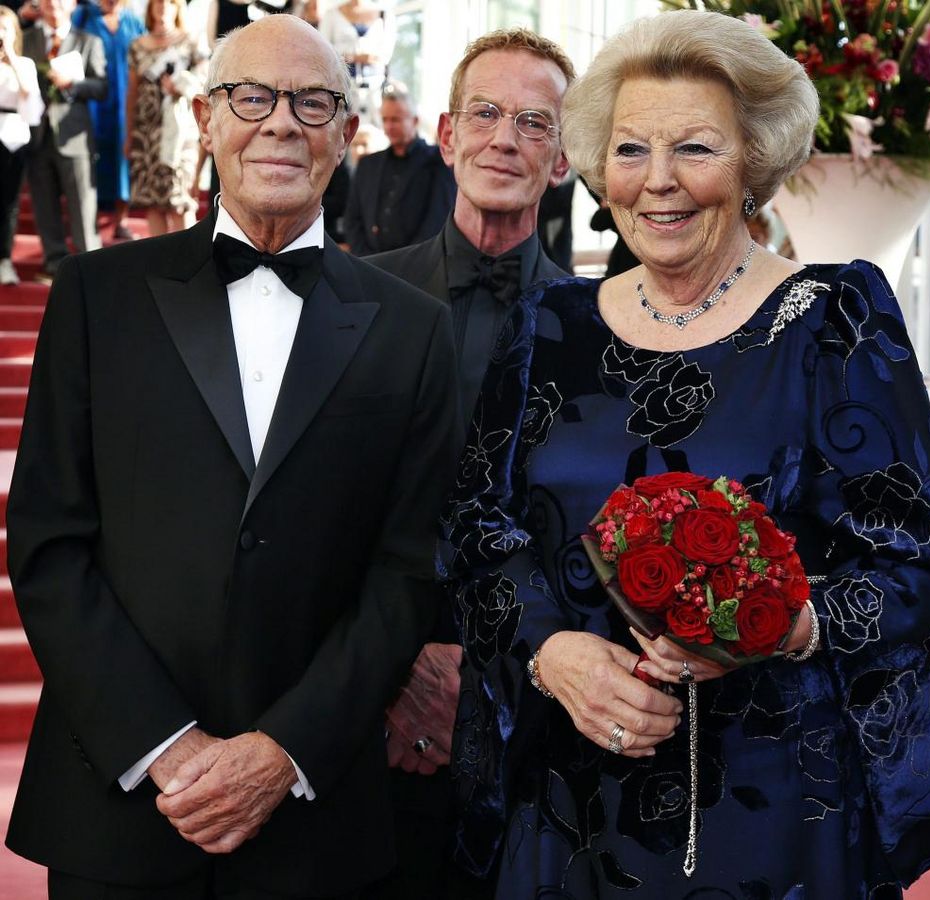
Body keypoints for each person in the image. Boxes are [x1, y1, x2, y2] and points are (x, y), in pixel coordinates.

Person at [442, 10, 930, 898]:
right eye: (631, 150)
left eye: (695, 149)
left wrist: (786, 623)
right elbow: (475, 529)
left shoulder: (833, 317)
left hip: (774, 809)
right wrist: (548, 653)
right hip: (571, 799)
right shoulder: (549, 325)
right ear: (599, 169)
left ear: (754, 162)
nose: (659, 183)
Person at [5, 13, 459, 899]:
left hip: (317, 821)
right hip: (121, 807)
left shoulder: (413, 328)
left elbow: (407, 571)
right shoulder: (98, 296)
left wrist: (281, 754)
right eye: (252, 96)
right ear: (207, 119)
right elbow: (49, 542)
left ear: (347, 133)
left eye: (312, 101)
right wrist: (164, 747)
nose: (281, 121)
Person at [364, 27, 573, 899]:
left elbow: (585, 539)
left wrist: (489, 676)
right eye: (484, 113)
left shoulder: (599, 328)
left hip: (537, 721)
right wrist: (399, 669)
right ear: (447, 137)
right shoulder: (356, 300)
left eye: (534, 122)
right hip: (367, 707)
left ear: (562, 160)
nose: (504, 138)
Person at [21, 0, 106, 282]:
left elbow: (101, 87)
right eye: (47, 0)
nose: (53, 5)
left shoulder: (88, 41)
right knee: (44, 204)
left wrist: (73, 84)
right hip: (36, 135)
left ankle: (90, 267)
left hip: (75, 135)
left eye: (60, 0)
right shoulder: (26, 39)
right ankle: (54, 263)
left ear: (72, 5)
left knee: (82, 205)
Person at [343, 82, 455, 256]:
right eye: (385, 119)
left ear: (415, 120)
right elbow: (353, 219)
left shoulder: (439, 163)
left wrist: (404, 263)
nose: (389, 126)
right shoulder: (368, 165)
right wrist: (365, 260)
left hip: (416, 267)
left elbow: (436, 221)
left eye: (396, 119)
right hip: (367, 265)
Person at [126, 0, 206, 236]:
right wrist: (128, 134)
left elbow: (206, 84)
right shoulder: (137, 46)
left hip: (181, 132)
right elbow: (132, 93)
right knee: (152, 201)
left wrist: (180, 87)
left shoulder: (191, 41)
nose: (162, 8)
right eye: (158, 3)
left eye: (169, 3)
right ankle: (161, 268)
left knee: (178, 198)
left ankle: (192, 266)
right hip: (146, 132)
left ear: (177, 7)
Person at [71, 0, 144, 240]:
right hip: (90, 102)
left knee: (123, 160)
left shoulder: (134, 22)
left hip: (126, 103)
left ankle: (120, 220)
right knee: (90, 160)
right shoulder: (83, 17)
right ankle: (86, 220)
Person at [0, 4, 42, 284]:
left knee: (8, 202)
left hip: (12, 138)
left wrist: (10, 55)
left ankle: (4, 259)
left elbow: (29, 94)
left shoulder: (24, 63)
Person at [315, 0, 394, 126]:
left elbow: (385, 54)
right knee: (341, 126)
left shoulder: (384, 14)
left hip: (376, 88)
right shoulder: (331, 14)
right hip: (342, 86)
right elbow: (323, 51)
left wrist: (348, 56)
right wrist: (356, 57)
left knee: (379, 128)